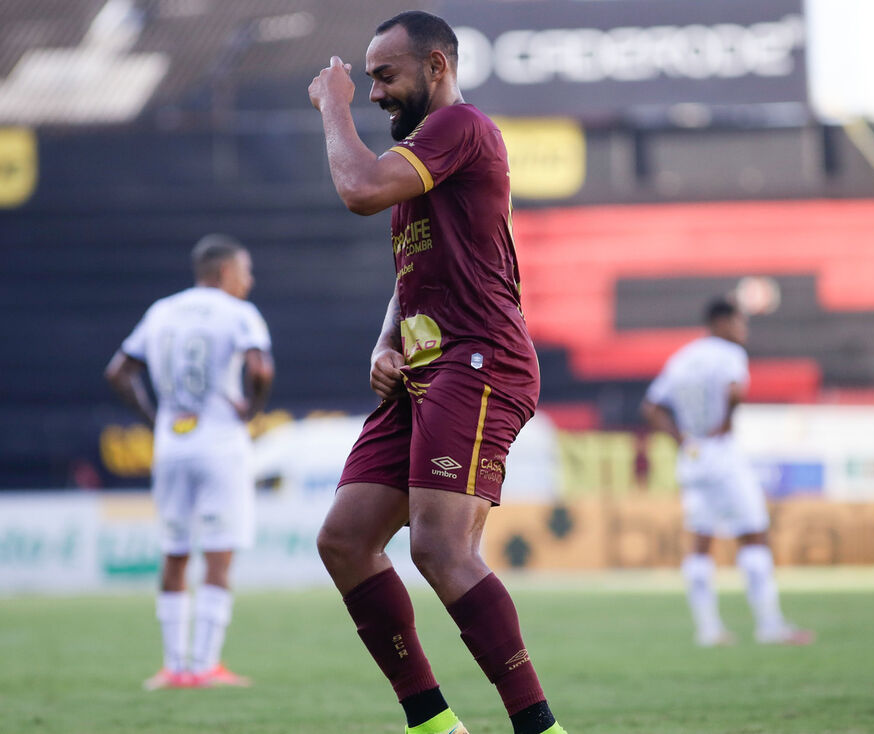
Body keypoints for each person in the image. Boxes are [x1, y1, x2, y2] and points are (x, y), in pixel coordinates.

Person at [308, 12, 566, 734]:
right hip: (423, 369)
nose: (374, 92)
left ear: (438, 68)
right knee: (345, 540)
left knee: (440, 548)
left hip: (479, 359)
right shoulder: (426, 156)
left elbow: (358, 190)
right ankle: (432, 723)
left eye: (385, 76)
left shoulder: (460, 126)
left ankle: (538, 727)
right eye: (365, 81)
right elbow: (415, 275)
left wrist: (331, 105)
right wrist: (382, 342)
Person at [105, 234, 274, 690]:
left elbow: (118, 371)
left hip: (172, 444)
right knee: (218, 554)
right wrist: (252, 411)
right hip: (220, 441)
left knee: (174, 551)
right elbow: (260, 369)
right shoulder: (239, 313)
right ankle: (205, 666)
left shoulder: (161, 311)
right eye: (244, 271)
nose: (250, 280)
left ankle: (173, 666)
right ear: (223, 273)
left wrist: (154, 417)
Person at [641, 297, 814, 647]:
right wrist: (726, 423)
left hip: (692, 454)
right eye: (739, 323)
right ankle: (769, 626)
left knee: (700, 542)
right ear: (721, 323)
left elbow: (652, 406)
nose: (743, 330)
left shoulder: (683, 358)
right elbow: (734, 392)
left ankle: (708, 630)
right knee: (753, 535)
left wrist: (681, 439)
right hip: (722, 451)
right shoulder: (730, 354)